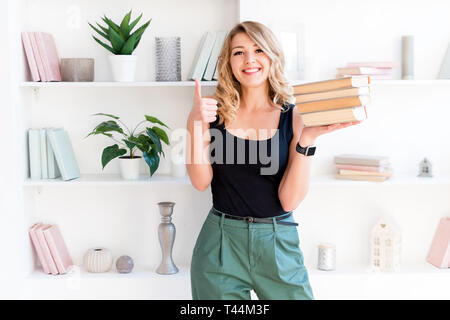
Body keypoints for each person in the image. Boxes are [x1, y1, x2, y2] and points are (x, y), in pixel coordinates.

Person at [185, 21, 361, 300]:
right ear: (228, 61)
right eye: (239, 52)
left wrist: (306, 141)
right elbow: (200, 181)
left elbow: (289, 201)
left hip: (277, 244)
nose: (250, 59)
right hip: (219, 246)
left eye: (258, 50)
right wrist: (194, 124)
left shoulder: (293, 117)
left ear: (272, 56)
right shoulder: (213, 113)